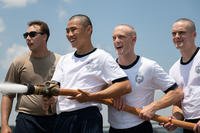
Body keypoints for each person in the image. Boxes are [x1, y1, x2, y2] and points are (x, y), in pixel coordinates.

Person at [50, 14, 131, 133]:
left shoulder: (101, 57)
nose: (70, 34)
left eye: (73, 29)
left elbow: (125, 85)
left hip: (88, 117)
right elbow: (54, 85)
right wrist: (50, 97)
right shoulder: (64, 59)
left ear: (89, 29)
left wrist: (92, 97)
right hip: (63, 118)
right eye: (67, 31)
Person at [107, 24, 184, 133]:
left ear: (134, 39)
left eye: (121, 37)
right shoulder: (108, 67)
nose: (116, 41)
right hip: (113, 129)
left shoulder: (149, 66)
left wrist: (153, 107)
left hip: (140, 127)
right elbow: (98, 90)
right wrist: (113, 93)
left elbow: (177, 93)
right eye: (114, 38)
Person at [1, 20, 60, 133]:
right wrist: (4, 125)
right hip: (26, 121)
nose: (28, 38)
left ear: (44, 36)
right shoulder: (19, 62)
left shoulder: (60, 61)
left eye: (32, 34)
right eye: (25, 35)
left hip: (55, 120)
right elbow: (7, 95)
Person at [163, 18, 200, 133]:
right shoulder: (173, 69)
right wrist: (176, 119)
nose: (177, 36)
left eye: (182, 32)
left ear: (194, 35)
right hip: (188, 125)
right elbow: (177, 104)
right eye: (174, 33)